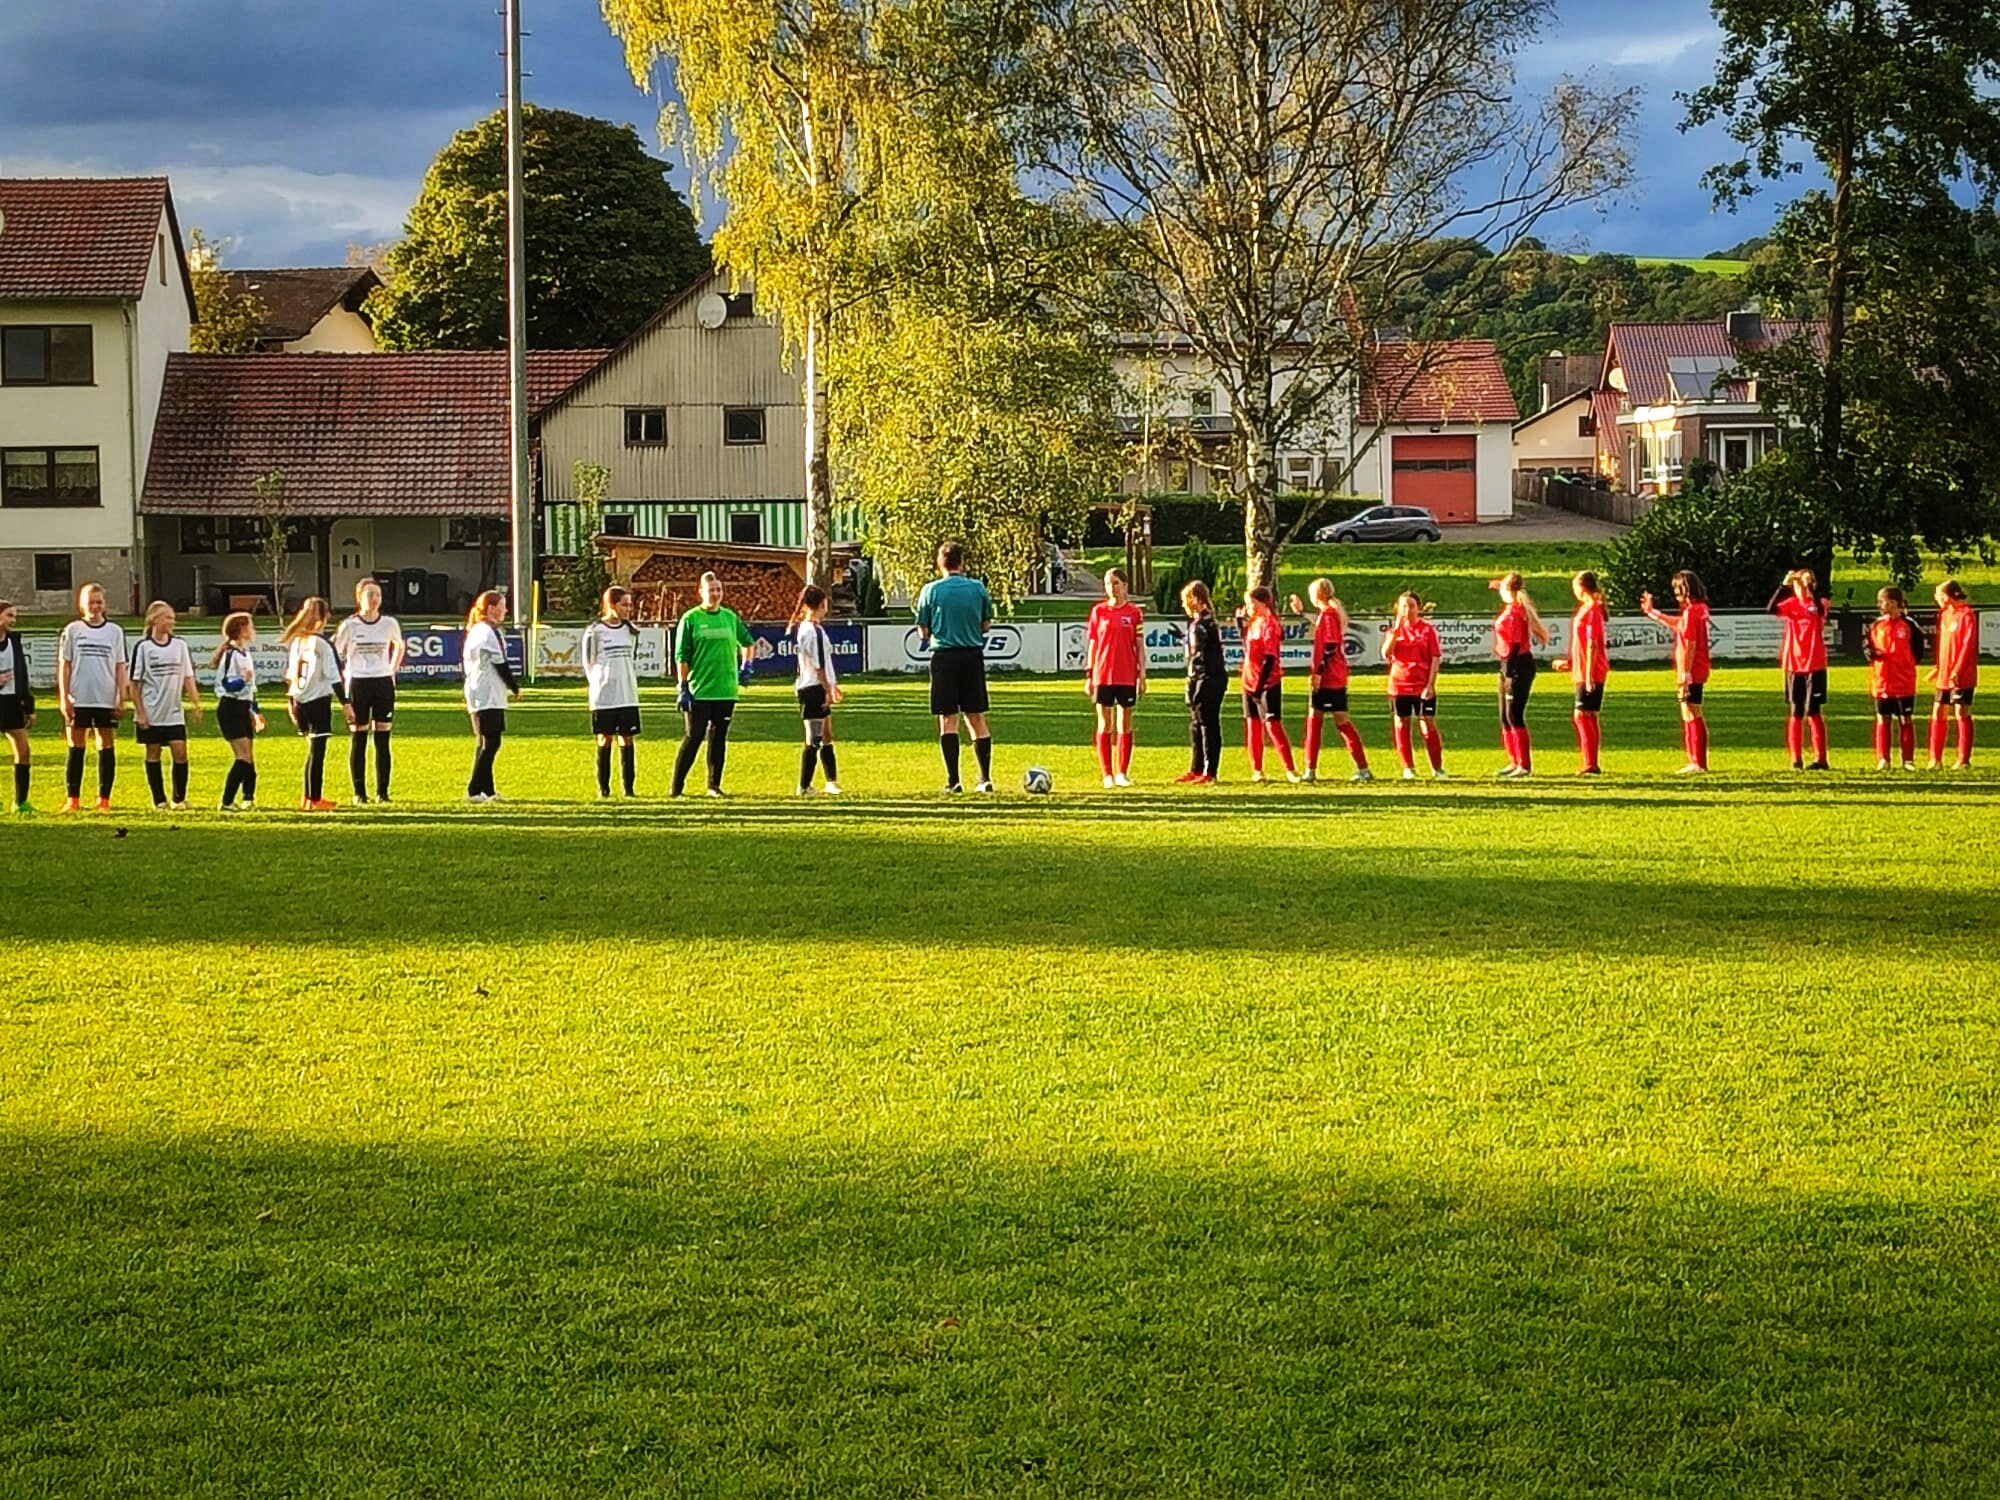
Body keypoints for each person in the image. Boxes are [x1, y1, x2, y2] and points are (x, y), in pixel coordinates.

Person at [915, 541, 997, 794]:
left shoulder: (930, 591)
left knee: (948, 719)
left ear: (940, 563)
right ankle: (984, 779)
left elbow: (923, 630)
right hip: (972, 656)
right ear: (962, 562)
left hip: (944, 658)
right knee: (976, 718)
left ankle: (954, 781)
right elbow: (986, 625)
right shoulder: (977, 588)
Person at [671, 572, 754, 798]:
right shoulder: (691, 619)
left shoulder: (729, 617)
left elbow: (748, 642)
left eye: (719, 589)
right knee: (694, 736)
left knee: (719, 738)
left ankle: (713, 785)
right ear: (701, 592)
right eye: (711, 590)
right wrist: (683, 686)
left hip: (725, 689)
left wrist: (747, 665)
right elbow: (682, 656)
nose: (716, 594)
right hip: (699, 690)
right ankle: (676, 787)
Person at [1287, 578, 1370, 783]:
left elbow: (1330, 646)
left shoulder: (1329, 615)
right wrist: (1300, 613)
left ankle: (1311, 769)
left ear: (1319, 594)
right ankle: (1362, 768)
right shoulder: (1328, 615)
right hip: (1335, 676)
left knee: (1319, 722)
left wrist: (1319, 673)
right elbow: (1321, 627)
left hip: (1329, 678)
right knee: (1334, 721)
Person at [56, 582, 128, 812]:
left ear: (104, 604)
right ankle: (73, 798)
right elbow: (64, 666)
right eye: (91, 603)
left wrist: (120, 695)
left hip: (105, 698)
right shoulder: (73, 630)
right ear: (81, 605)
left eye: (99, 602)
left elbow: (120, 666)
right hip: (80, 697)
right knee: (76, 745)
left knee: (105, 744)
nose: (95, 607)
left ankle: (104, 798)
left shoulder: (114, 631)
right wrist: (64, 697)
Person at [335, 577, 404, 804]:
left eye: (377, 595)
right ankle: (359, 793)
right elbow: (335, 653)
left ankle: (383, 793)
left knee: (383, 739)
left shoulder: (389, 623)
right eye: (369, 595)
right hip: (358, 683)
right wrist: (345, 675)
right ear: (359, 598)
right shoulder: (350, 625)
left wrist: (392, 670)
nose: (374, 599)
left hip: (382, 683)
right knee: (360, 737)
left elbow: (399, 645)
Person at [128, 600, 201, 810]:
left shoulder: (180, 646)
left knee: (180, 753)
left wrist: (195, 703)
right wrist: (140, 712)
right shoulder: (143, 647)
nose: (172, 621)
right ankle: (159, 800)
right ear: (154, 620)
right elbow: (135, 684)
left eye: (173, 618)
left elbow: (187, 676)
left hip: (173, 712)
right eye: (168, 617)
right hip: (151, 712)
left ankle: (179, 798)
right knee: (153, 753)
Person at [1640, 570, 1712, 774]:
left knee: (1691, 711)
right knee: (1689, 711)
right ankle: (1695, 760)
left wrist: (1685, 674)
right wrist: (1653, 613)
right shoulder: (1699, 609)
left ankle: (1697, 762)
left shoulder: (1692, 612)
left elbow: (1689, 643)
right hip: (1698, 667)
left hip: (1692, 669)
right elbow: (1679, 626)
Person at [282, 597, 347, 812]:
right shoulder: (321, 643)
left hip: (299, 700)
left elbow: (291, 675)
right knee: (317, 752)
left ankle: (308, 797)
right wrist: (346, 703)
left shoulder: (298, 641)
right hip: (317, 700)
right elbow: (334, 675)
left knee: (312, 751)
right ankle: (315, 798)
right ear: (324, 617)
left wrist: (291, 701)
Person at [1085, 568, 1145, 788]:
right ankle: (1107, 774)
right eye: (1108, 583)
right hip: (1103, 674)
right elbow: (1093, 643)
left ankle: (1122, 772)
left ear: (1125, 585)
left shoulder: (1134, 613)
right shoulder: (1098, 612)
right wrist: (1090, 673)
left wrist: (1142, 674)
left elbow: (1138, 645)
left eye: (1116, 583)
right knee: (1104, 723)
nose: (1112, 587)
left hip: (1126, 674)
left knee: (1125, 723)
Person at [582, 585, 643, 798]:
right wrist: (600, 684)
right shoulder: (595, 631)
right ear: (612, 604)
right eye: (624, 604)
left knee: (627, 738)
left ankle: (628, 788)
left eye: (629, 604)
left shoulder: (630, 630)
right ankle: (604, 789)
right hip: (604, 696)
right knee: (604, 738)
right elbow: (588, 662)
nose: (629, 608)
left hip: (627, 694)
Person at [1236, 586, 1300, 783]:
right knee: (1253, 725)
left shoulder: (1270, 625)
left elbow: (1269, 660)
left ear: (1262, 603)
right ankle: (1257, 770)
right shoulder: (1254, 622)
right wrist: (1240, 624)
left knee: (1272, 725)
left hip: (1267, 682)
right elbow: (1249, 648)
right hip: (1249, 680)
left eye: (1251, 603)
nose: (1248, 607)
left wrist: (1259, 686)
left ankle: (1290, 769)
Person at [1488, 572, 1549, 778]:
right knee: (1504, 716)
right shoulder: (1512, 607)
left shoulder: (1515, 613)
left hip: (1517, 665)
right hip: (1507, 664)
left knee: (1514, 715)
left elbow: (1514, 645)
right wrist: (1500, 585)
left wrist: (1509, 673)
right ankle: (1513, 760)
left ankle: (1524, 764)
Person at [1769, 568, 1831, 770]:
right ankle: (1796, 759)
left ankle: (1821, 758)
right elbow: (1771, 609)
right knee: (1795, 711)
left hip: (1815, 663)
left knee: (1813, 710)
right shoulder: (1791, 605)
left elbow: (1820, 612)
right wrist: (1783, 585)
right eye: (1798, 586)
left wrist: (1810, 589)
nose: (1801, 589)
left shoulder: (1819, 604)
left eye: (1804, 585)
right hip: (1794, 664)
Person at [463, 590, 519, 802]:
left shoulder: (479, 630)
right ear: (491, 608)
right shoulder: (487, 632)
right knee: (491, 742)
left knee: (485, 741)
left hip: (481, 690)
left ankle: (488, 791)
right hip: (487, 692)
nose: (505, 610)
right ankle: (473, 790)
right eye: (503, 605)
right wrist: (514, 687)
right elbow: (500, 662)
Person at [1382, 591, 1445, 781]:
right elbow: (1386, 653)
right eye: (1403, 606)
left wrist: (1430, 684)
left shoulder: (1427, 630)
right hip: (1399, 685)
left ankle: (1437, 768)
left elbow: (1435, 657)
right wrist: (1396, 631)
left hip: (1421, 685)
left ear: (1419, 608)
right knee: (1401, 724)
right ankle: (1408, 767)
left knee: (1427, 725)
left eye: (1411, 606)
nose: (1407, 610)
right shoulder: (1393, 631)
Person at [1552, 570, 1609, 776]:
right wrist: (1570, 663)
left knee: (1582, 715)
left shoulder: (1592, 610)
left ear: (1582, 587)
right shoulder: (1587, 609)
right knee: (1588, 716)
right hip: (1585, 670)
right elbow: (1583, 645)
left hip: (1590, 672)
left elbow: (1592, 645)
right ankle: (1591, 762)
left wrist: (1587, 675)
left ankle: (1590, 763)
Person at [1863, 587, 1923, 772]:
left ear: (1895, 603)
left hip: (1903, 681)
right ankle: (1884, 759)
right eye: (1880, 602)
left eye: (1884, 601)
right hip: (1882, 681)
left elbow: (1918, 651)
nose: (1880, 605)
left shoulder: (1909, 625)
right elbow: (1866, 648)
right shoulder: (1875, 626)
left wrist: (1905, 663)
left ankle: (1908, 760)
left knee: (1905, 719)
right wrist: (1872, 654)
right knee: (1883, 719)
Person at [792, 583, 844, 795]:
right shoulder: (813, 631)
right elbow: (819, 665)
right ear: (822, 604)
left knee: (826, 733)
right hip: (814, 688)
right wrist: (827, 689)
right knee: (814, 737)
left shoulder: (808, 629)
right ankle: (804, 786)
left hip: (812, 687)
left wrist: (832, 685)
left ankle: (831, 781)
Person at [211, 611, 265, 810]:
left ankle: (248, 798)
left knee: (249, 756)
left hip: (243, 707)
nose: (253, 630)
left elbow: (250, 688)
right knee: (242, 756)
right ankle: (226, 801)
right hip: (230, 707)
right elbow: (226, 683)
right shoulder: (230, 654)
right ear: (241, 630)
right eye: (250, 626)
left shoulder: (245, 654)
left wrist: (255, 711)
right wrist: (242, 680)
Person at [1179, 580, 1226, 784]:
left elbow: (1199, 656)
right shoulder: (1205, 622)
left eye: (1186, 600)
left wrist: (1196, 683)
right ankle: (1197, 768)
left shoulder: (1202, 625)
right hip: (1205, 677)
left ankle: (1209, 771)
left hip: (1207, 678)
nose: (1184, 605)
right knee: (1197, 724)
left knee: (1207, 724)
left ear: (1195, 600)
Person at [1928, 579, 1978, 770]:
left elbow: (1967, 645)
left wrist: (1957, 670)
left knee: (1960, 711)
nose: (1936, 598)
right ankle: (1935, 759)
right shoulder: (1945, 615)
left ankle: (1963, 759)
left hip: (1962, 674)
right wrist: (1939, 666)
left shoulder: (1966, 615)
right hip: (1944, 674)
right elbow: (1944, 644)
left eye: (1939, 594)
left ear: (1949, 595)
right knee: (1938, 710)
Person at [0, 600, 35, 814]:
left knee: (23, 751)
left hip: (12, 703)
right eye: (9, 616)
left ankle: (21, 802)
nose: (13, 620)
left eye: (14, 616)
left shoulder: (14, 641)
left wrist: (29, 706)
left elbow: (22, 674)